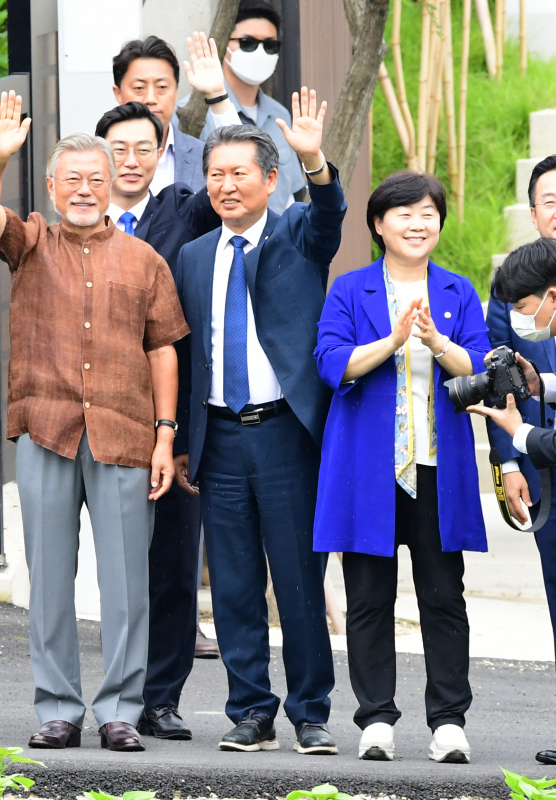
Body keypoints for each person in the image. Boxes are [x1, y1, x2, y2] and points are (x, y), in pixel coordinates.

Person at [0, 92, 186, 754]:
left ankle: (122, 707)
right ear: (52, 187)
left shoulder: (145, 260)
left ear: (112, 185)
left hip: (126, 434)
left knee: (128, 585)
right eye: (74, 180)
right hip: (46, 427)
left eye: (97, 179)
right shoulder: (31, 240)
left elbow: (163, 348)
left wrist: (166, 434)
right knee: (50, 576)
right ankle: (58, 706)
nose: (87, 190)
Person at [173, 92, 344, 755]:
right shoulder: (193, 256)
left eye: (240, 173)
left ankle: (312, 712)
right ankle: (250, 710)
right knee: (236, 583)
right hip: (219, 436)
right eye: (216, 174)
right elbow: (192, 356)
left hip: (285, 434)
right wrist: (184, 439)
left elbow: (330, 213)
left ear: (270, 180)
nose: (226, 185)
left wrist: (315, 161)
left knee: (299, 577)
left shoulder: (298, 233)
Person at [314, 171, 490, 764]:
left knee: (444, 596)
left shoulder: (459, 290)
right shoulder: (350, 288)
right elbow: (332, 363)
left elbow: (479, 375)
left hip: (438, 465)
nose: (418, 224)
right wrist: (392, 340)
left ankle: (447, 722)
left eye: (428, 214)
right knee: (368, 596)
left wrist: (436, 341)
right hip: (371, 469)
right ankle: (377, 720)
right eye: (404, 214)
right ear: (378, 225)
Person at [93, 32, 239, 741]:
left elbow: (236, 170)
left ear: (162, 152)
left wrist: (216, 99)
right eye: (116, 150)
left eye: (142, 149)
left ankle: (161, 696)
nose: (128, 161)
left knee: (176, 562)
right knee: (115, 565)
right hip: (99, 413)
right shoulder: (79, 218)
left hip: (175, 416)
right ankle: (112, 693)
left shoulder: (187, 206)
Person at [468, 238, 556, 781]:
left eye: (521, 307)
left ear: (553, 298)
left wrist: (522, 433)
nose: (518, 319)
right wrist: (545, 385)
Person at [198, 0, 306, 214]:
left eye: (270, 45)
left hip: (275, 241)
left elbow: (290, 197)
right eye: (247, 42)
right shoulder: (199, 116)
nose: (260, 53)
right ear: (224, 44)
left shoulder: (281, 115)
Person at [112, 35, 208, 193]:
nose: (150, 98)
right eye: (138, 88)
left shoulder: (205, 157)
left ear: (176, 92)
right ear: (118, 93)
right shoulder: (95, 158)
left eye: (162, 87)